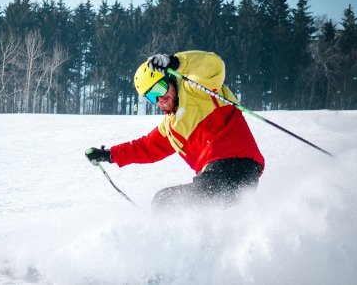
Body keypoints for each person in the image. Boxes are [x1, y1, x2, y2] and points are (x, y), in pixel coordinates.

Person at [85, 50, 264, 209]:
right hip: (216, 179)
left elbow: (213, 65)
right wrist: (109, 155)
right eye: (151, 96)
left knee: (166, 202)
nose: (160, 99)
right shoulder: (170, 127)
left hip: (236, 166)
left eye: (160, 89)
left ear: (170, 79)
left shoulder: (196, 89)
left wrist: (177, 62)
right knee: (166, 201)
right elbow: (146, 147)